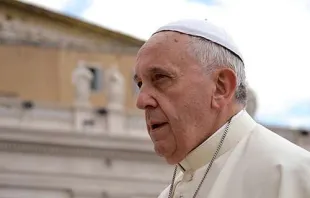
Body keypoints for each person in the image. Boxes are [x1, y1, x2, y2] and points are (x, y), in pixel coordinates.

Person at [133, 19, 310, 198]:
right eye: (140, 84)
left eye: (160, 77)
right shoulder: (169, 194)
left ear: (220, 87)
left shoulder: (294, 177)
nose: (141, 101)